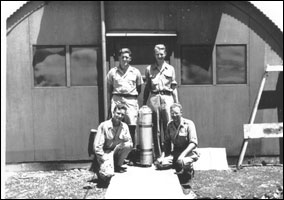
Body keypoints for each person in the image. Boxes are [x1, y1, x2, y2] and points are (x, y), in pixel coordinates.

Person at [107, 48, 143, 164]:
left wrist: (129, 97)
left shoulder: (135, 72)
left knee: (131, 127)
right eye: (122, 57)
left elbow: (139, 88)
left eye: (127, 57)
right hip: (117, 98)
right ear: (119, 58)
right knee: (115, 125)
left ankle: (131, 155)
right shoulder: (113, 72)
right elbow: (109, 88)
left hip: (130, 99)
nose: (124, 59)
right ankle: (116, 155)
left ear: (130, 59)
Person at [143, 44, 179, 160]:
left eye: (162, 54)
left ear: (165, 54)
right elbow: (147, 87)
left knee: (168, 126)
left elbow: (174, 87)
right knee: (156, 128)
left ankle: (168, 154)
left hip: (167, 98)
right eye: (157, 54)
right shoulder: (149, 69)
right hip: (154, 98)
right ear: (154, 55)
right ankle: (158, 155)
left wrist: (176, 103)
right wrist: (144, 103)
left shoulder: (171, 69)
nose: (160, 56)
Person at [156, 103, 199, 194]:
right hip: (176, 152)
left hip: (189, 152)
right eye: (172, 113)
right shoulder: (170, 125)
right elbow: (166, 142)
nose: (174, 115)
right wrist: (162, 156)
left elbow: (193, 143)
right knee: (160, 164)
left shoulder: (189, 124)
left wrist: (182, 155)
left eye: (176, 113)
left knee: (184, 162)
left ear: (181, 113)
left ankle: (186, 182)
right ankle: (178, 166)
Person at [93, 103, 133, 186]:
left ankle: (117, 165)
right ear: (113, 112)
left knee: (128, 145)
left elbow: (129, 142)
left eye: (122, 114)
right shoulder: (104, 125)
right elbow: (97, 146)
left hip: (116, 150)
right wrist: (103, 159)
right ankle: (101, 167)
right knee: (107, 175)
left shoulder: (124, 126)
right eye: (118, 113)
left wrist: (124, 141)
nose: (120, 116)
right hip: (106, 152)